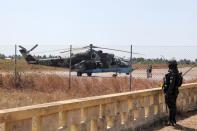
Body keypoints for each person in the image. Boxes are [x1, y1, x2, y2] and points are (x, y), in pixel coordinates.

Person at [162, 60, 183, 126]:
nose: (168, 65)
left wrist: (167, 93)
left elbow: (171, 85)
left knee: (171, 107)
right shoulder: (177, 74)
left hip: (171, 93)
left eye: (169, 64)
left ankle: (171, 121)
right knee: (173, 107)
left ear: (171, 65)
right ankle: (173, 120)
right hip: (175, 92)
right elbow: (179, 84)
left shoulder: (173, 74)